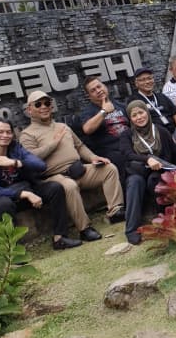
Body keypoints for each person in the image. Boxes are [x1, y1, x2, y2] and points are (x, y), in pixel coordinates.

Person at [19, 90, 125, 241]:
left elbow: (80, 146)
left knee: (109, 169)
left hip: (78, 170)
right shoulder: (27, 134)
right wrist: (53, 144)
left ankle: (115, 212)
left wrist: (93, 157)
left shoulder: (63, 126)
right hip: (55, 177)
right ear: (29, 109)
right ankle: (84, 228)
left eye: (47, 103)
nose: (43, 107)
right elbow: (31, 158)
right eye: (38, 104)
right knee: (69, 186)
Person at [0, 118, 81, 250]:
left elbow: (41, 166)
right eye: (0, 132)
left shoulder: (16, 148)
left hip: (26, 191)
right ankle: (14, 250)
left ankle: (60, 238)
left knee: (55, 188)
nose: (5, 135)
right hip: (5, 200)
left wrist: (15, 162)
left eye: (8, 132)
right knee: (3, 203)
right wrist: (24, 194)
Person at [118, 100, 176, 245]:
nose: (139, 117)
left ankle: (164, 221)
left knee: (154, 180)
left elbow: (174, 154)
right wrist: (147, 159)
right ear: (130, 118)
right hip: (138, 171)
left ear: (147, 112)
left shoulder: (161, 131)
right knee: (134, 182)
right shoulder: (127, 135)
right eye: (134, 115)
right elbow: (127, 154)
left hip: (160, 171)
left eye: (141, 112)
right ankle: (131, 229)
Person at [77, 76, 129, 173]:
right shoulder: (88, 111)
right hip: (112, 153)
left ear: (105, 87)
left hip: (130, 147)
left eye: (99, 86)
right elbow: (87, 129)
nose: (98, 91)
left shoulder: (120, 105)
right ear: (89, 96)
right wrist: (104, 111)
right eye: (93, 90)